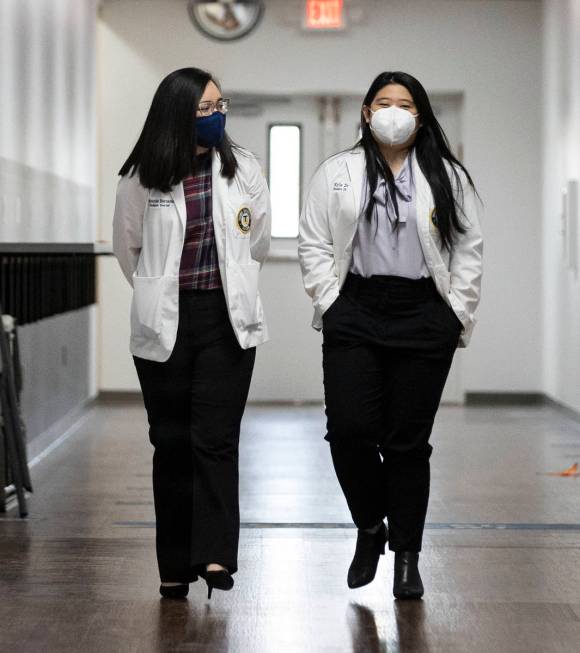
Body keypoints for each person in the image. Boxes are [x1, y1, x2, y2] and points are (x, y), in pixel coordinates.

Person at [298, 71, 483, 599]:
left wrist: (456, 312)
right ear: (365, 112)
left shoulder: (447, 176)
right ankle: (369, 524)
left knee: (407, 443)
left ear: (420, 116)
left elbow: (469, 249)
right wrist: (330, 303)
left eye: (405, 104)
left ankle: (407, 556)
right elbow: (312, 241)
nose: (394, 112)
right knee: (350, 431)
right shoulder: (337, 172)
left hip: (424, 314)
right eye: (384, 102)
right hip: (355, 308)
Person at [112, 67, 271, 600]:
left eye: (220, 105)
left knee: (217, 441)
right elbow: (128, 249)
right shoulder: (142, 175)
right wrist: (159, 293)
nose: (216, 115)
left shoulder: (243, 168)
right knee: (172, 443)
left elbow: (259, 241)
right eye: (204, 108)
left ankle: (216, 556)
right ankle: (174, 566)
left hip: (226, 322)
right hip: (167, 324)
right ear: (177, 113)